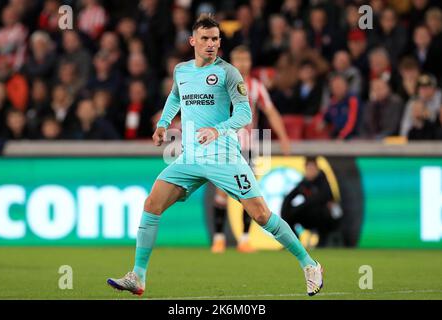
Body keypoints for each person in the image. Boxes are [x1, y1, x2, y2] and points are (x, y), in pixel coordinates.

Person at [107, 14, 323, 297]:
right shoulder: (181, 71)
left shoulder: (229, 73)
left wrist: (218, 130)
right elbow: (175, 97)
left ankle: (309, 264)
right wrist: (162, 124)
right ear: (192, 41)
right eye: (205, 39)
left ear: (220, 43)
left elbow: (245, 113)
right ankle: (138, 275)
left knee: (260, 214)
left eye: (215, 39)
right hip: (190, 157)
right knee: (152, 204)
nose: (211, 44)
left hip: (224, 155)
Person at [210, 45, 291, 254]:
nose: (243, 63)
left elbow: (271, 111)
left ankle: (244, 239)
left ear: (250, 62)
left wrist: (283, 137)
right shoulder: (220, 84)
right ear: (232, 62)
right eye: (239, 59)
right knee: (221, 191)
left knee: (249, 193)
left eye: (246, 59)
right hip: (224, 145)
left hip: (248, 148)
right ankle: (218, 238)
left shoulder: (255, 86)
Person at [280, 157, 341, 247]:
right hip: (309, 217)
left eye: (312, 169)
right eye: (308, 169)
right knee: (289, 213)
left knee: (323, 212)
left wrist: (299, 208)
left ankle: (322, 243)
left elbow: (320, 199)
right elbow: (289, 197)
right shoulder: (304, 183)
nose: (310, 171)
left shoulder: (323, 182)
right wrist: (285, 211)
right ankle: (293, 243)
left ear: (317, 169)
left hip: (326, 219)